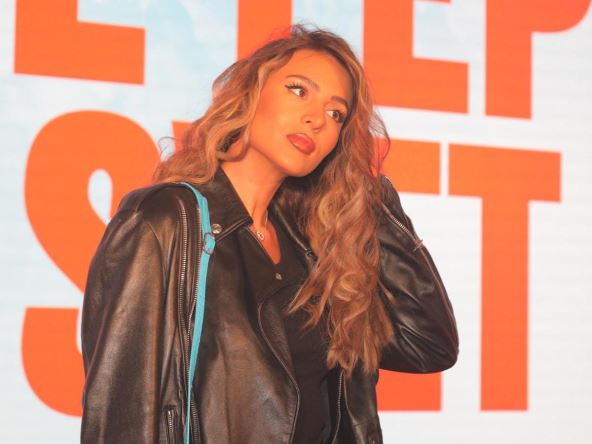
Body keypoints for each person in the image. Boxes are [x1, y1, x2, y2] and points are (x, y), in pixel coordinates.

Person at [80, 25, 459, 444]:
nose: (317, 119)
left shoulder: (314, 249)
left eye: (337, 114)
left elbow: (428, 344)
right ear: (251, 93)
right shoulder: (166, 219)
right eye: (299, 90)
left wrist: (368, 198)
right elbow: (123, 411)